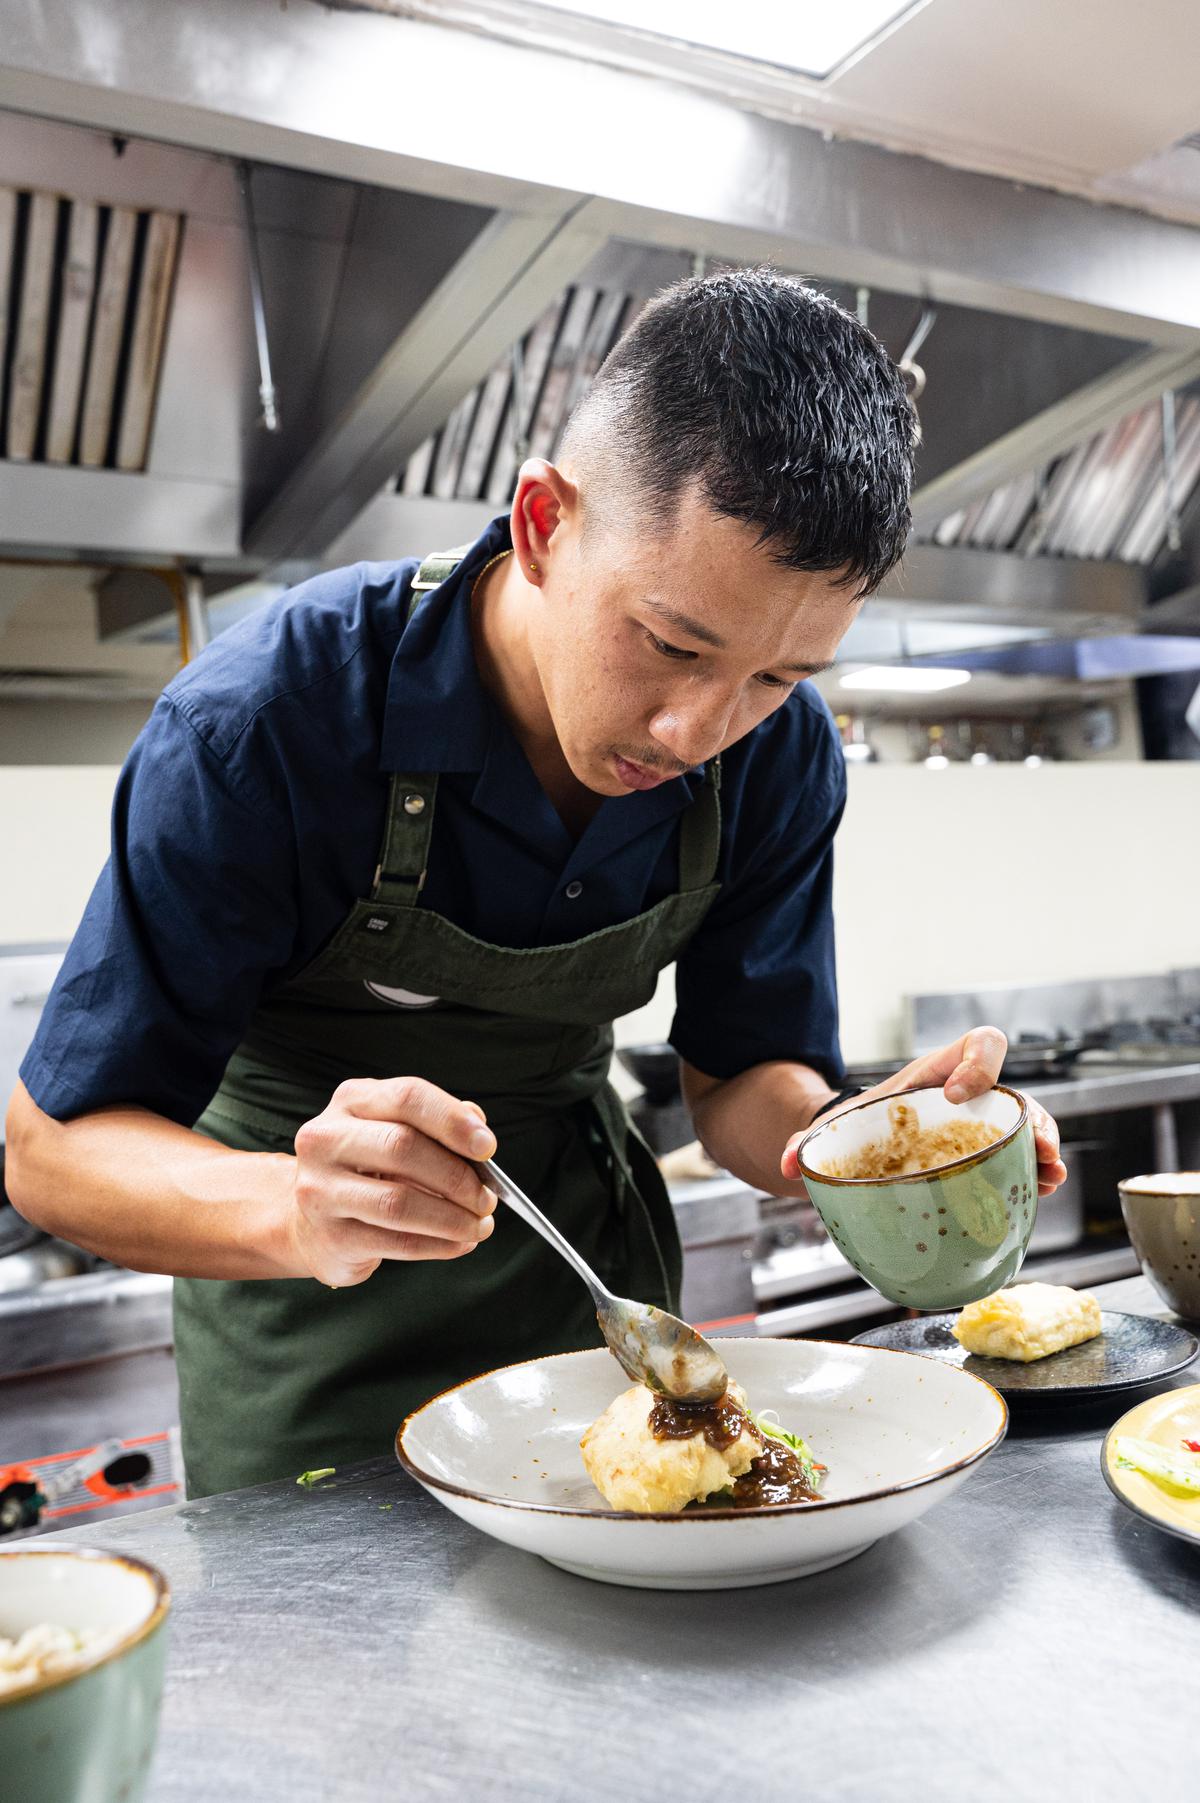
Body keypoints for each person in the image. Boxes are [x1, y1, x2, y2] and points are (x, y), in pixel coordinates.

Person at [6, 270, 1065, 1497]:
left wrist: (877, 1143)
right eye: (672, 643)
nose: (695, 730)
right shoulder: (268, 726)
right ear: (542, 523)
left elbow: (742, 1084)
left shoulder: (778, 758)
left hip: (600, 1319)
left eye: (779, 676)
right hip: (310, 1343)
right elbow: (55, 1151)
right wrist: (295, 1206)